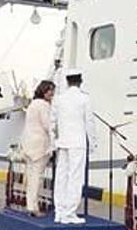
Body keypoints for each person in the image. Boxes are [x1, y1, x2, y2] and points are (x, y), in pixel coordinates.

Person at [50, 71, 96, 224]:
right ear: (80, 81)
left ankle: (59, 211)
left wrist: (53, 141)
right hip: (77, 143)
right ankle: (69, 213)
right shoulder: (85, 99)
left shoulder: (59, 99)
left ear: (67, 81)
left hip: (62, 143)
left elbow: (52, 123)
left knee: (61, 177)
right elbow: (89, 123)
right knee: (75, 178)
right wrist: (93, 143)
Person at [21, 80, 56, 217]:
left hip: (29, 144)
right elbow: (48, 126)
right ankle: (34, 208)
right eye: (49, 90)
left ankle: (30, 205)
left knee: (31, 176)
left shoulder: (33, 104)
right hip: (39, 146)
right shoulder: (44, 105)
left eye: (53, 90)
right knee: (37, 177)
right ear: (43, 91)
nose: (52, 93)